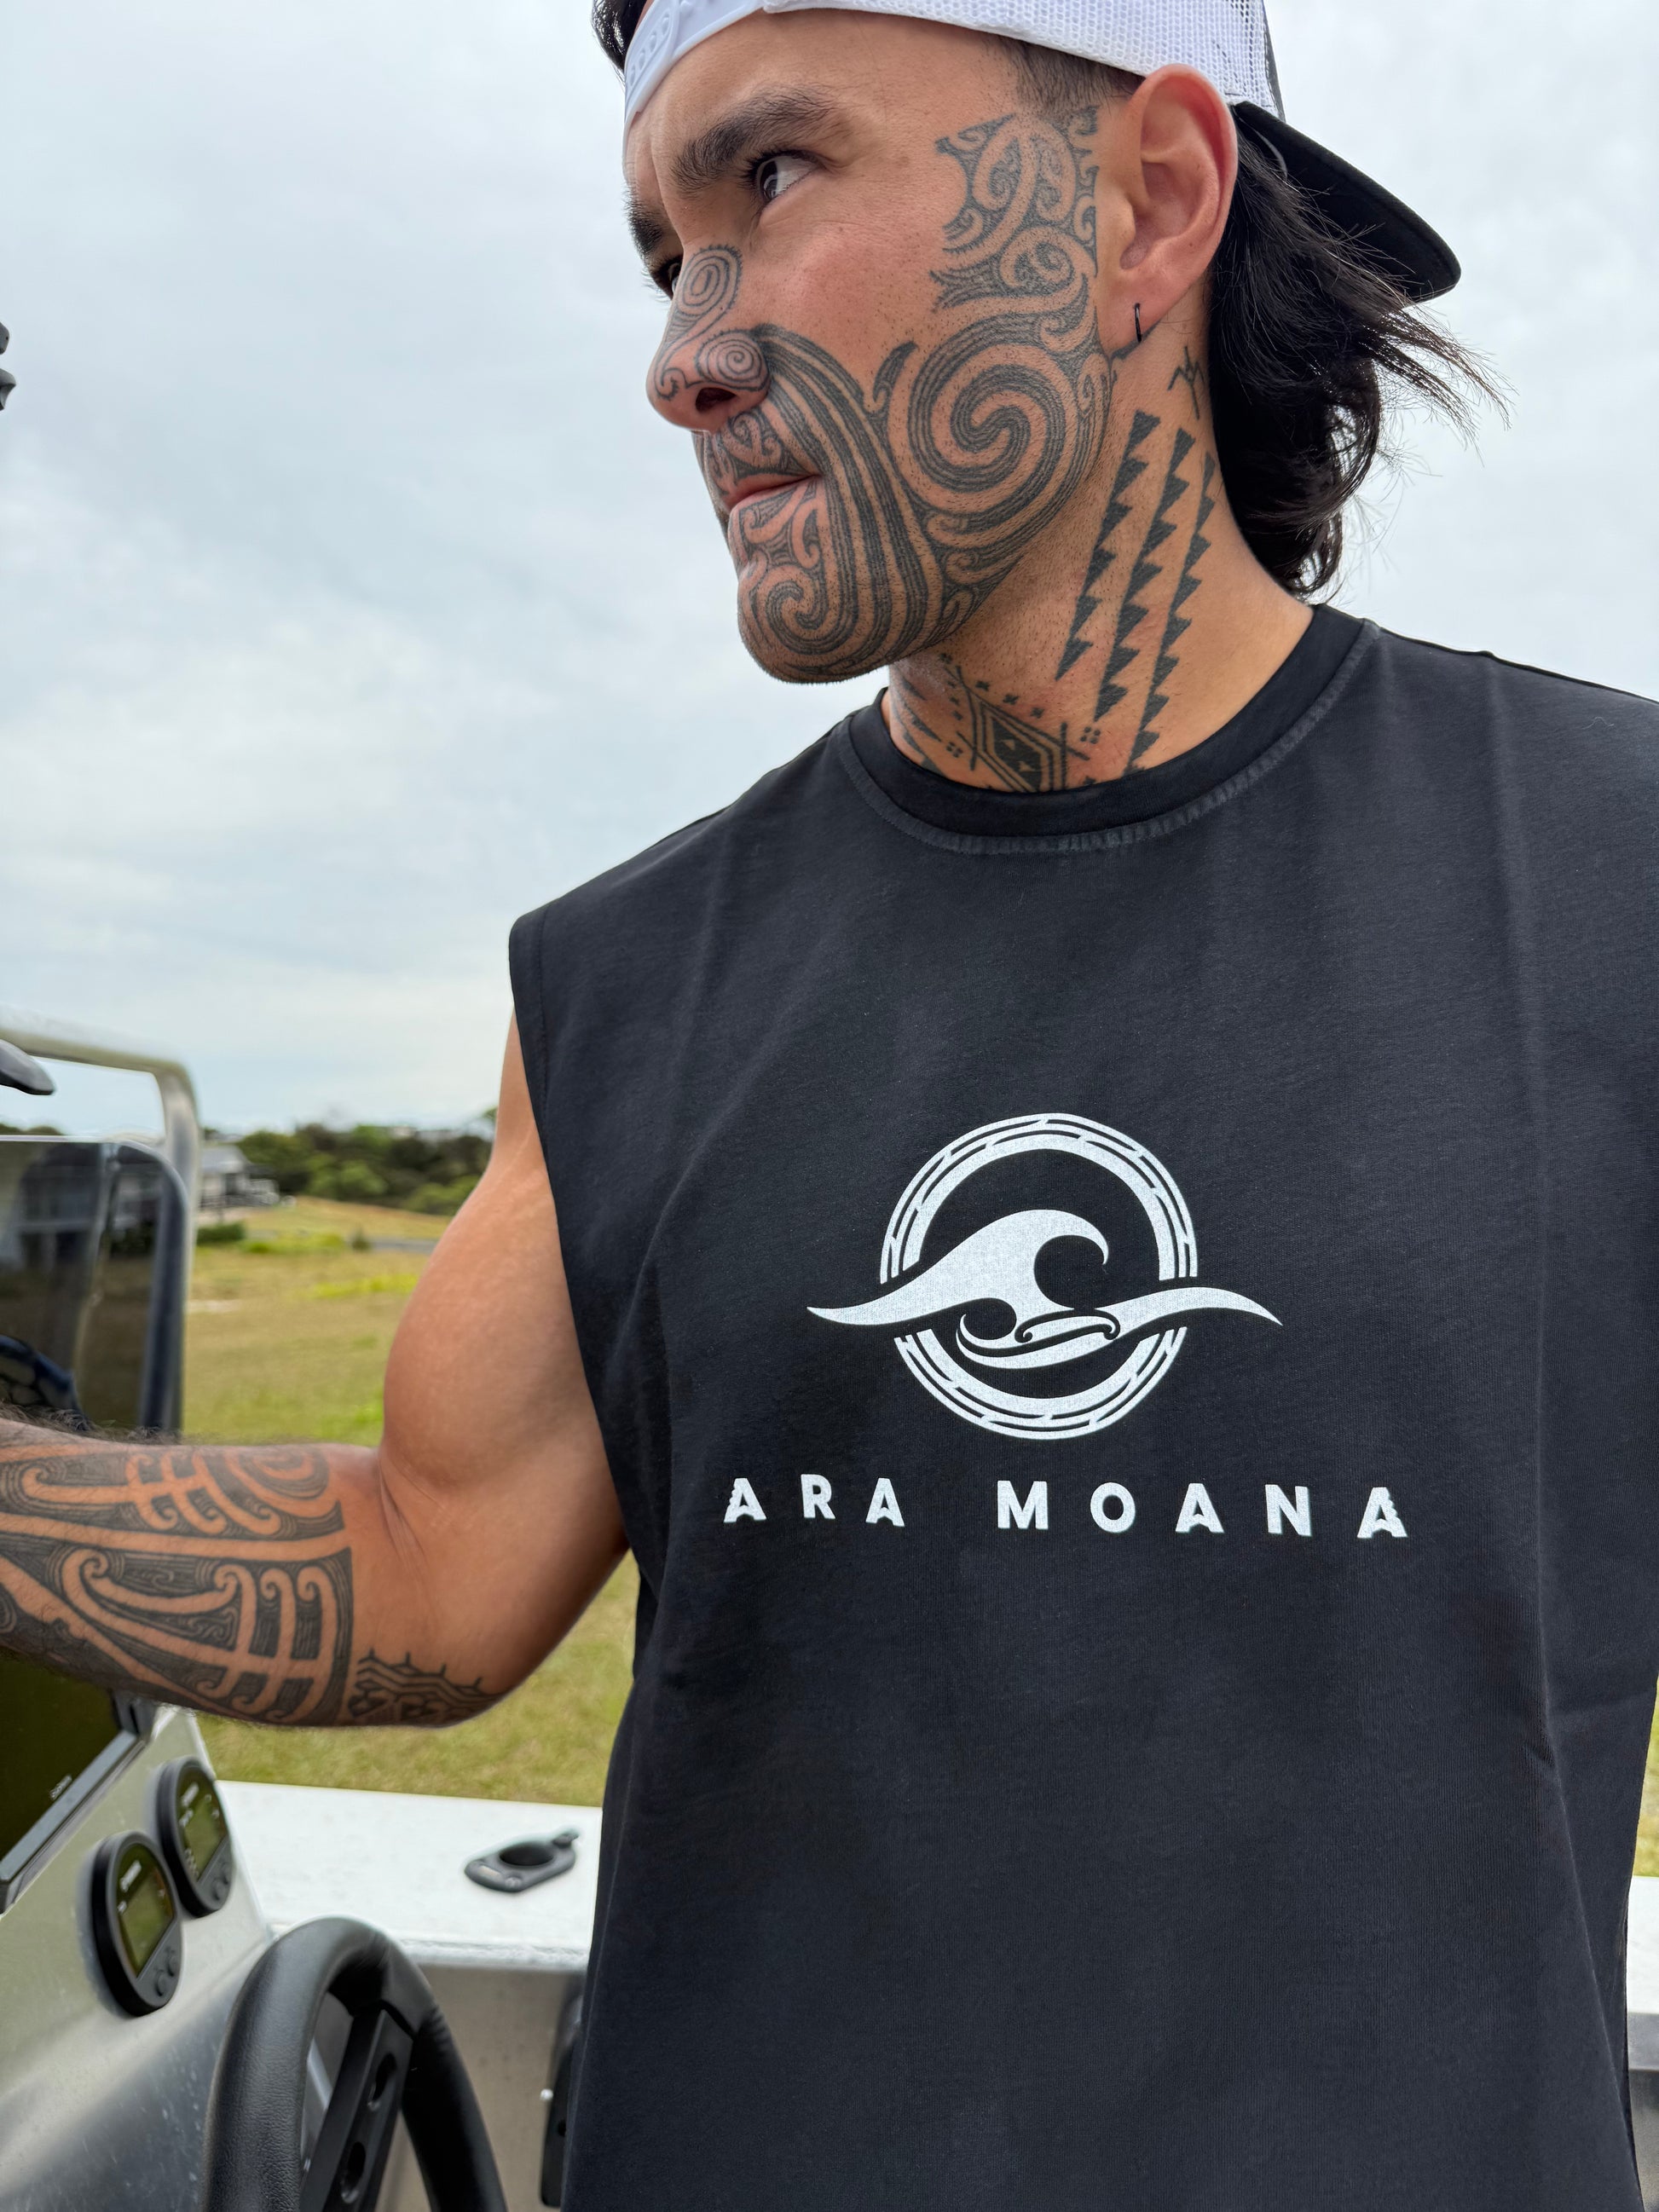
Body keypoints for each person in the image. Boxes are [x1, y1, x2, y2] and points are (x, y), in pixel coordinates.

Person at [4, 0, 1658, 2203]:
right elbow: (426, 1555)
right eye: (658, 255)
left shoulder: (1607, 881)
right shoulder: (626, 984)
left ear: (1151, 203)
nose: (681, 360)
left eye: (770, 181)